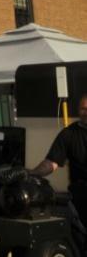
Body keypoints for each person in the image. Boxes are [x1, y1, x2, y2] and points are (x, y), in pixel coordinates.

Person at [31, 93, 87, 231]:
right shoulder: (69, 134)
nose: (86, 112)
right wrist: (32, 174)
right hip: (81, 196)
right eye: (83, 109)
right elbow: (51, 163)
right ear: (78, 110)